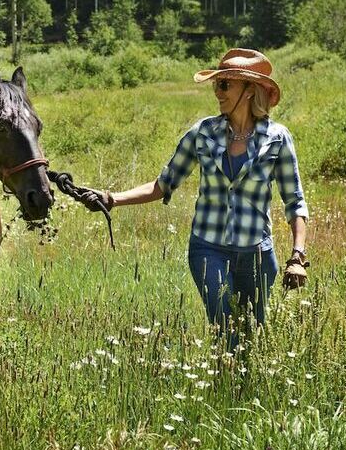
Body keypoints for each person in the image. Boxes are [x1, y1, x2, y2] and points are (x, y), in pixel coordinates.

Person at [79, 48, 309, 347]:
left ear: (250, 90)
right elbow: (163, 184)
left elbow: (295, 201)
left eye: (224, 85)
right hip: (208, 249)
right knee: (224, 327)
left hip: (256, 255)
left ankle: (242, 389)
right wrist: (110, 198)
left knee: (253, 334)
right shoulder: (202, 133)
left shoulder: (277, 138)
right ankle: (222, 385)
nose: (217, 91)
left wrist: (298, 255)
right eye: (216, 84)